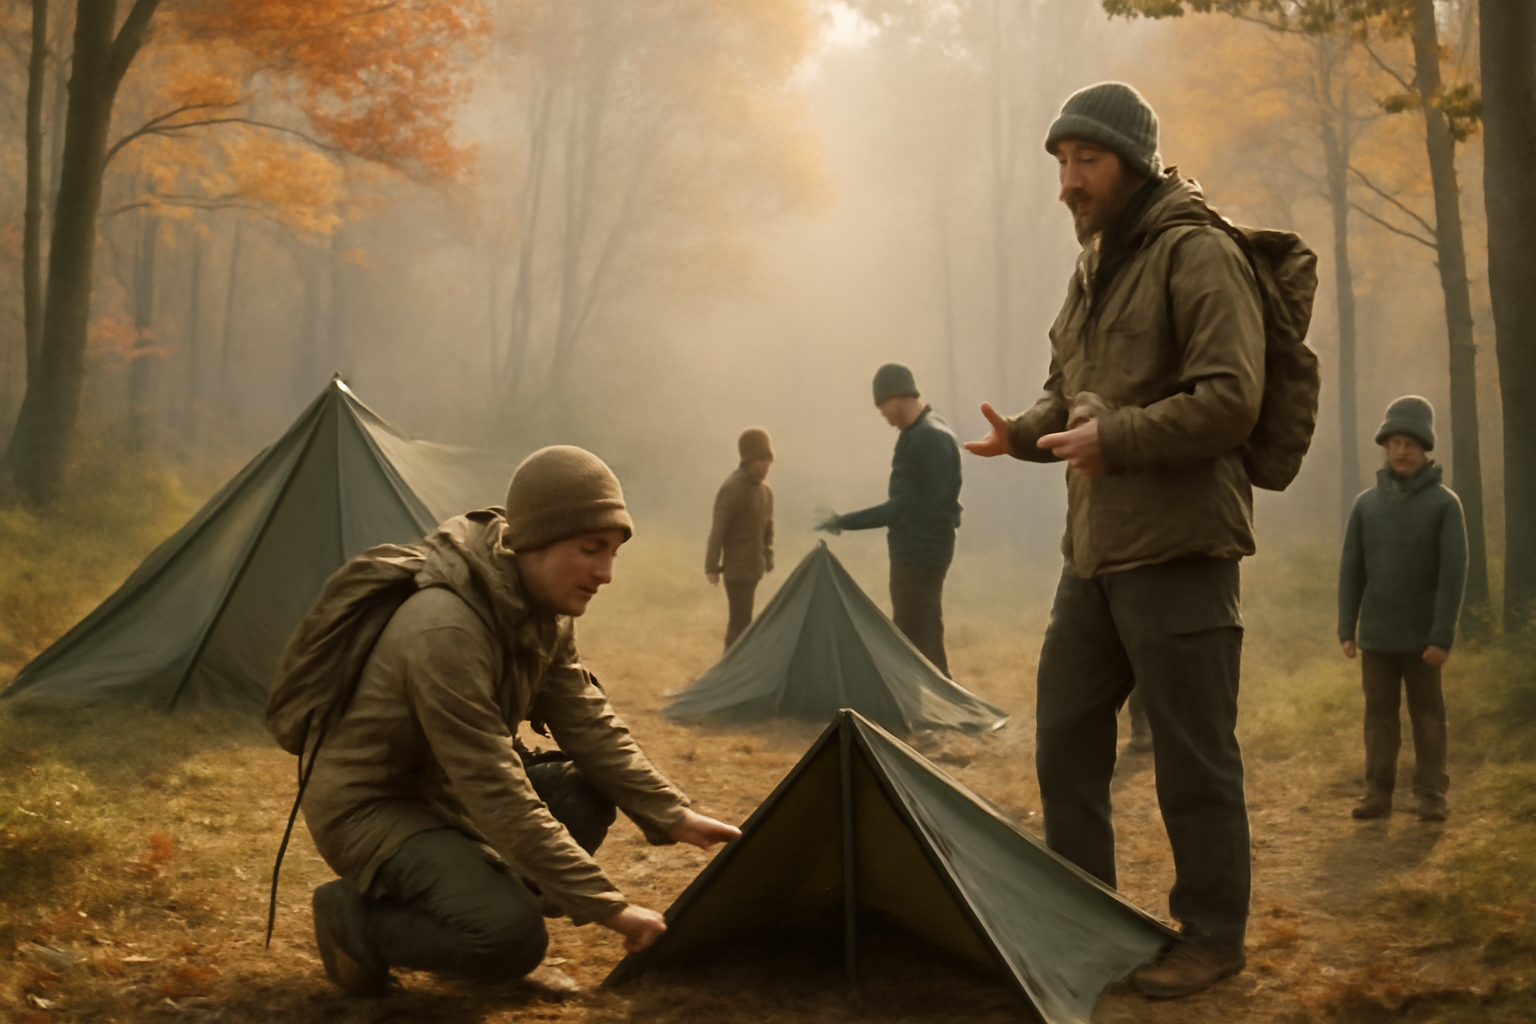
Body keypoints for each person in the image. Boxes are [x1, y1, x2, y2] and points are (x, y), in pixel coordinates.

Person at [964, 82, 1265, 999]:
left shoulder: (1197, 253)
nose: (1069, 182)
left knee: (1192, 760)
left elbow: (1231, 398)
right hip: (1090, 558)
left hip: (1179, 552)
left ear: (1132, 164)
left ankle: (1212, 937)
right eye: (1060, 163)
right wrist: (1020, 432)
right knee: (1063, 744)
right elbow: (1070, 392)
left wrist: (1118, 437)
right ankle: (1086, 919)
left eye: (1086, 161)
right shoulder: (1093, 267)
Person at [299, 445, 741, 996]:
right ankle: (355, 922)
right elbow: (494, 788)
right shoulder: (444, 630)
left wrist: (673, 814)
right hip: (376, 806)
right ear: (533, 542)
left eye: (613, 553)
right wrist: (610, 908)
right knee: (511, 938)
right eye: (590, 549)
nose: (605, 573)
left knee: (584, 793)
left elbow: (587, 722)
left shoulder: (543, 612)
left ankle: (470, 914)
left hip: (449, 792)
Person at [1338, 396, 1467, 823]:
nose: (1401, 451)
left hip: (1423, 640)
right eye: (1394, 442)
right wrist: (1347, 627)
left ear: (1425, 449)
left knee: (1428, 716)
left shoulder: (1445, 505)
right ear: (1385, 447)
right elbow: (1351, 571)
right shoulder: (1365, 505)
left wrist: (1441, 636)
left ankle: (1431, 793)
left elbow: (1452, 577)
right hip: (1377, 635)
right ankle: (1377, 792)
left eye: (1410, 443)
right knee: (1378, 717)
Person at [817, 363, 963, 676]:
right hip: (927, 552)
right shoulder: (931, 432)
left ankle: (942, 708)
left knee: (914, 637)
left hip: (918, 555)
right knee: (922, 632)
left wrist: (844, 521)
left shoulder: (925, 438)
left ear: (897, 397)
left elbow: (904, 508)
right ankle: (939, 706)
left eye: (882, 405)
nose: (882, 414)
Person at [706, 428, 776, 649]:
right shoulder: (732, 488)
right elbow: (719, 529)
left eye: (767, 460)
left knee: (745, 624)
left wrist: (769, 554)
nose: (764, 465)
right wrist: (712, 565)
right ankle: (730, 674)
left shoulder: (766, 493)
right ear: (747, 460)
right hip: (736, 571)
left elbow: (767, 529)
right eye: (759, 460)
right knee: (740, 625)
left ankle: (740, 670)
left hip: (754, 569)